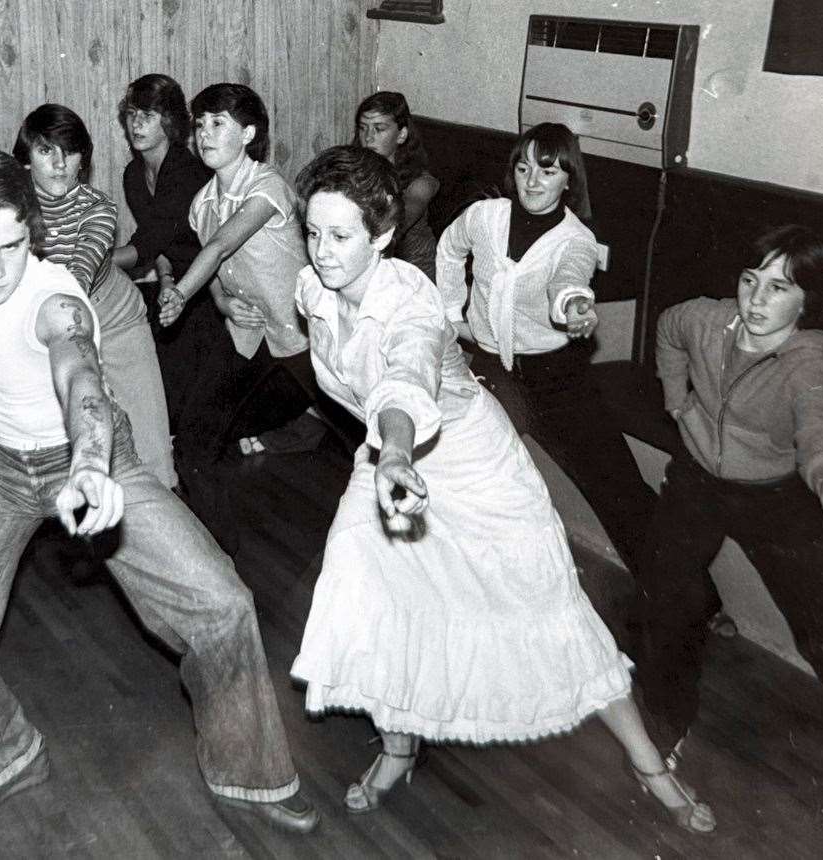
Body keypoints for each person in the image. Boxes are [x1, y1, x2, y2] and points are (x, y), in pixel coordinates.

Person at [0, 147, 318, 832]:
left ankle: (249, 772)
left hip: (90, 455)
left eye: (13, 246)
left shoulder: (53, 297)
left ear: (34, 233)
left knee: (223, 604)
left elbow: (79, 375)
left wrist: (90, 462)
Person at [288, 146, 714, 833]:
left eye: (340, 237)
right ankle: (399, 746)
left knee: (547, 603)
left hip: (468, 462)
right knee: (370, 593)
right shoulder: (314, 286)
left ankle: (647, 763)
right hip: (391, 466)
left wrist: (394, 450)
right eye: (312, 232)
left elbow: (404, 377)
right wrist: (387, 460)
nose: (323, 251)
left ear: (384, 236)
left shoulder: (411, 306)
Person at [637, 225, 823, 764]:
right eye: (751, 280)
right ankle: (666, 720)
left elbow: (817, 426)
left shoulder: (806, 362)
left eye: (779, 287)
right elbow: (668, 328)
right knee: (668, 597)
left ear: (808, 301)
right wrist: (677, 398)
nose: (756, 299)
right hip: (698, 478)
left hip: (778, 494)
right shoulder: (703, 319)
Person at [435, 122, 655, 586]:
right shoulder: (486, 216)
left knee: (615, 481)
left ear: (568, 180)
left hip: (557, 375)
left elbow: (569, 280)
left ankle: (685, 593)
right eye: (523, 167)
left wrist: (574, 305)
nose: (532, 181)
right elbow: (450, 249)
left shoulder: (575, 240)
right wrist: (451, 313)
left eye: (548, 171)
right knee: (471, 467)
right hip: (493, 367)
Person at [160, 83, 320, 484]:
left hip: (305, 335)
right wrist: (221, 302)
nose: (204, 134)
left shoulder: (268, 187)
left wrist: (180, 293)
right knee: (199, 432)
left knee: (353, 422)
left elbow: (219, 247)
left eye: (218, 123)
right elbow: (216, 270)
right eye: (199, 125)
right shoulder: (203, 203)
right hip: (250, 332)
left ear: (248, 134)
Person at [13, 104, 175, 490]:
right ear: (26, 160)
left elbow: (79, 272)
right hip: (49, 324)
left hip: (115, 317)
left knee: (152, 449)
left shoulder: (98, 208)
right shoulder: (12, 210)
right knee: (61, 446)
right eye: (45, 151)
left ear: (83, 158)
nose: (59, 164)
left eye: (69, 152)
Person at [111, 73, 220, 427]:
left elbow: (146, 244)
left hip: (214, 285)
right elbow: (159, 242)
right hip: (178, 281)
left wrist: (87, 260)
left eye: (149, 115)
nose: (137, 123)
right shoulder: (133, 174)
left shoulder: (186, 172)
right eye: (131, 114)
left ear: (170, 122)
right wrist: (168, 277)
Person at [352, 91, 439, 280]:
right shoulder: (355, 174)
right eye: (362, 128)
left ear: (401, 135)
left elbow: (396, 223)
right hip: (370, 271)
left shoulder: (421, 183)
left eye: (379, 128)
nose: (368, 137)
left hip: (414, 280)